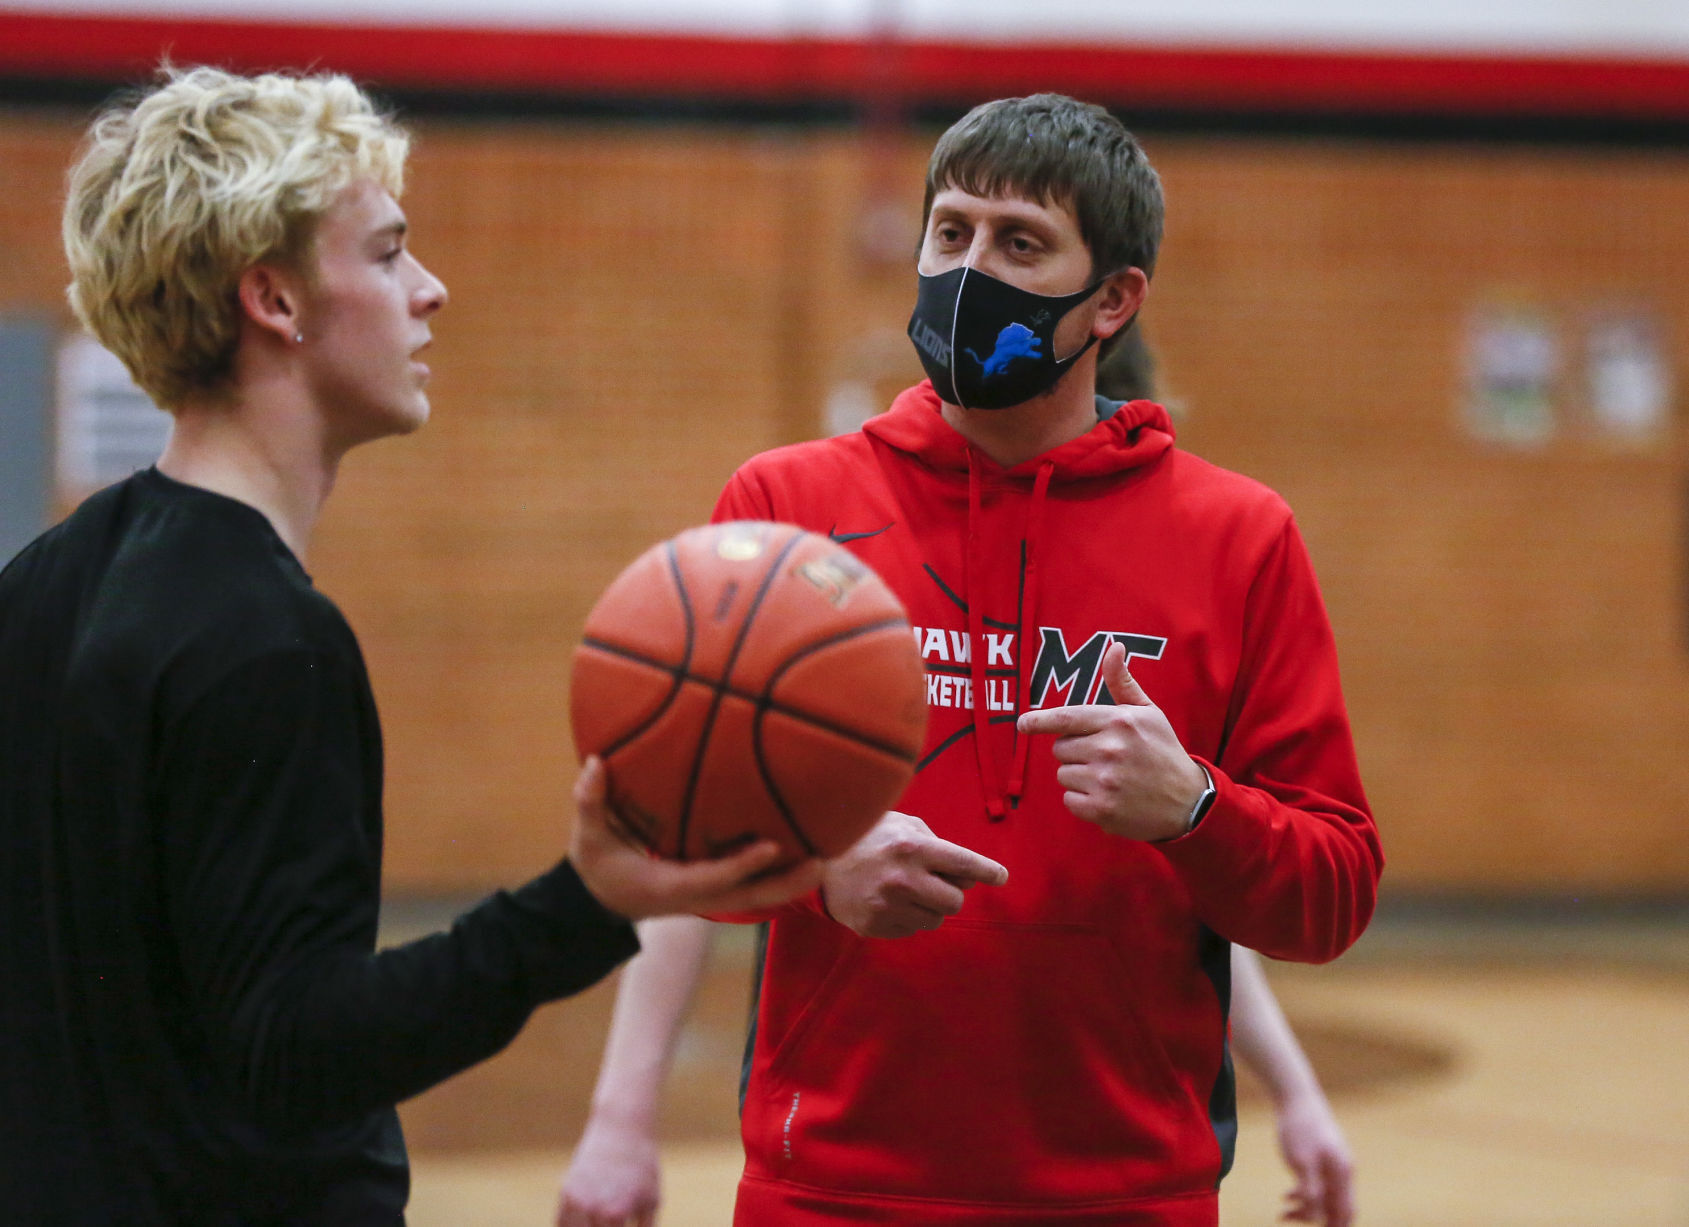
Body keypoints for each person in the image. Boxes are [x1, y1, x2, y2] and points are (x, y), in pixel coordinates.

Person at [0, 65, 818, 1225]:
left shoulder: (41, 585)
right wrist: (576, 906)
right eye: (386, 254)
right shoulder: (268, 641)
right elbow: (295, 1054)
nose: (429, 291)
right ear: (274, 301)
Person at [706, 92, 1384, 1225]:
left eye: (1021, 244)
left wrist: (1197, 811)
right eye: (952, 232)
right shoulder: (785, 504)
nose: (970, 271)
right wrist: (814, 866)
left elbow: (1334, 897)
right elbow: (668, 828)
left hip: (1129, 1193)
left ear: (1112, 300)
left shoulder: (1240, 537)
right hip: (829, 1188)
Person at [557, 317, 1357, 1227]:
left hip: (1116, 1175)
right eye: (952, 230)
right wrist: (620, 1113)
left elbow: (1158, 892)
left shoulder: (1214, 540)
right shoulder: (805, 513)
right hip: (842, 1161)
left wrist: (1291, 1085)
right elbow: (699, 831)